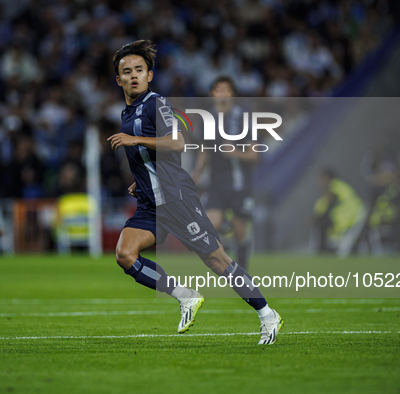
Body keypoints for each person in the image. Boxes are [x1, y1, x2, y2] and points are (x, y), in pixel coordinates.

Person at [107, 40, 282, 345]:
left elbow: (176, 143)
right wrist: (141, 177)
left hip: (176, 198)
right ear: (118, 79)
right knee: (125, 254)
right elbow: (155, 155)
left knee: (217, 261)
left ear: (150, 75)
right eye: (126, 71)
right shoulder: (128, 112)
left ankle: (268, 314)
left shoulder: (156, 104)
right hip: (151, 202)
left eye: (139, 69)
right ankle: (185, 296)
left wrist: (135, 141)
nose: (133, 75)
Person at [191, 76, 258, 270]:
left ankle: (243, 266)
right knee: (211, 227)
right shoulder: (207, 119)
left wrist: (235, 153)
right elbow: (204, 149)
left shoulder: (242, 118)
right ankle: (225, 268)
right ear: (212, 94)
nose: (221, 94)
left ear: (232, 94)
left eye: (226, 90)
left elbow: (254, 155)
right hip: (216, 182)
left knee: (239, 231)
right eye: (218, 90)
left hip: (239, 182)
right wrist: (197, 171)